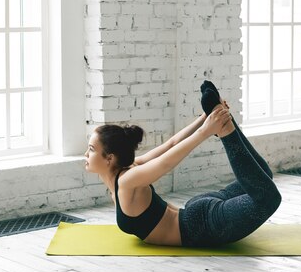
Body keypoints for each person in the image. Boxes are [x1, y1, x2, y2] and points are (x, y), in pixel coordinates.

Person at [84, 81, 281, 247]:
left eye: (92, 149)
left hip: (200, 227)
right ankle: (221, 117)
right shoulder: (132, 169)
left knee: (268, 198)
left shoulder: (127, 181)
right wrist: (205, 119)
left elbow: (166, 162)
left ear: (109, 158)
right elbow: (171, 144)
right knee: (263, 177)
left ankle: (225, 128)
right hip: (196, 213)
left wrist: (205, 129)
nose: (86, 154)